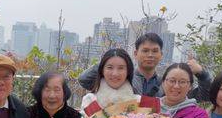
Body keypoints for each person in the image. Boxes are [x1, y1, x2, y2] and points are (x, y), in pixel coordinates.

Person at [78, 33, 212, 101]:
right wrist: (109, 59)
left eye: (155, 51)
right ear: (136, 53)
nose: (150, 55)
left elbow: (204, 96)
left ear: (161, 55)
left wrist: (201, 73)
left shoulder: (167, 83)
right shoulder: (122, 78)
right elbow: (84, 80)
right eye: (145, 50)